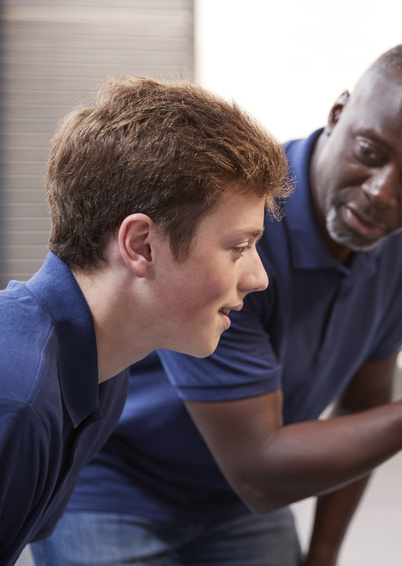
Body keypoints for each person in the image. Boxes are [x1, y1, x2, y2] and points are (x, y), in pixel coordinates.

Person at [32, 42, 402, 566]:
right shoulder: (236, 217)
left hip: (238, 502)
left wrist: (324, 553)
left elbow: (366, 401)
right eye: (370, 152)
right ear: (337, 114)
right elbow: (259, 470)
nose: (381, 191)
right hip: (117, 488)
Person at [0, 75, 290, 565]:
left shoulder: (101, 369)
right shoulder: (19, 398)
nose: (258, 277)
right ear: (140, 245)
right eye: (238, 248)